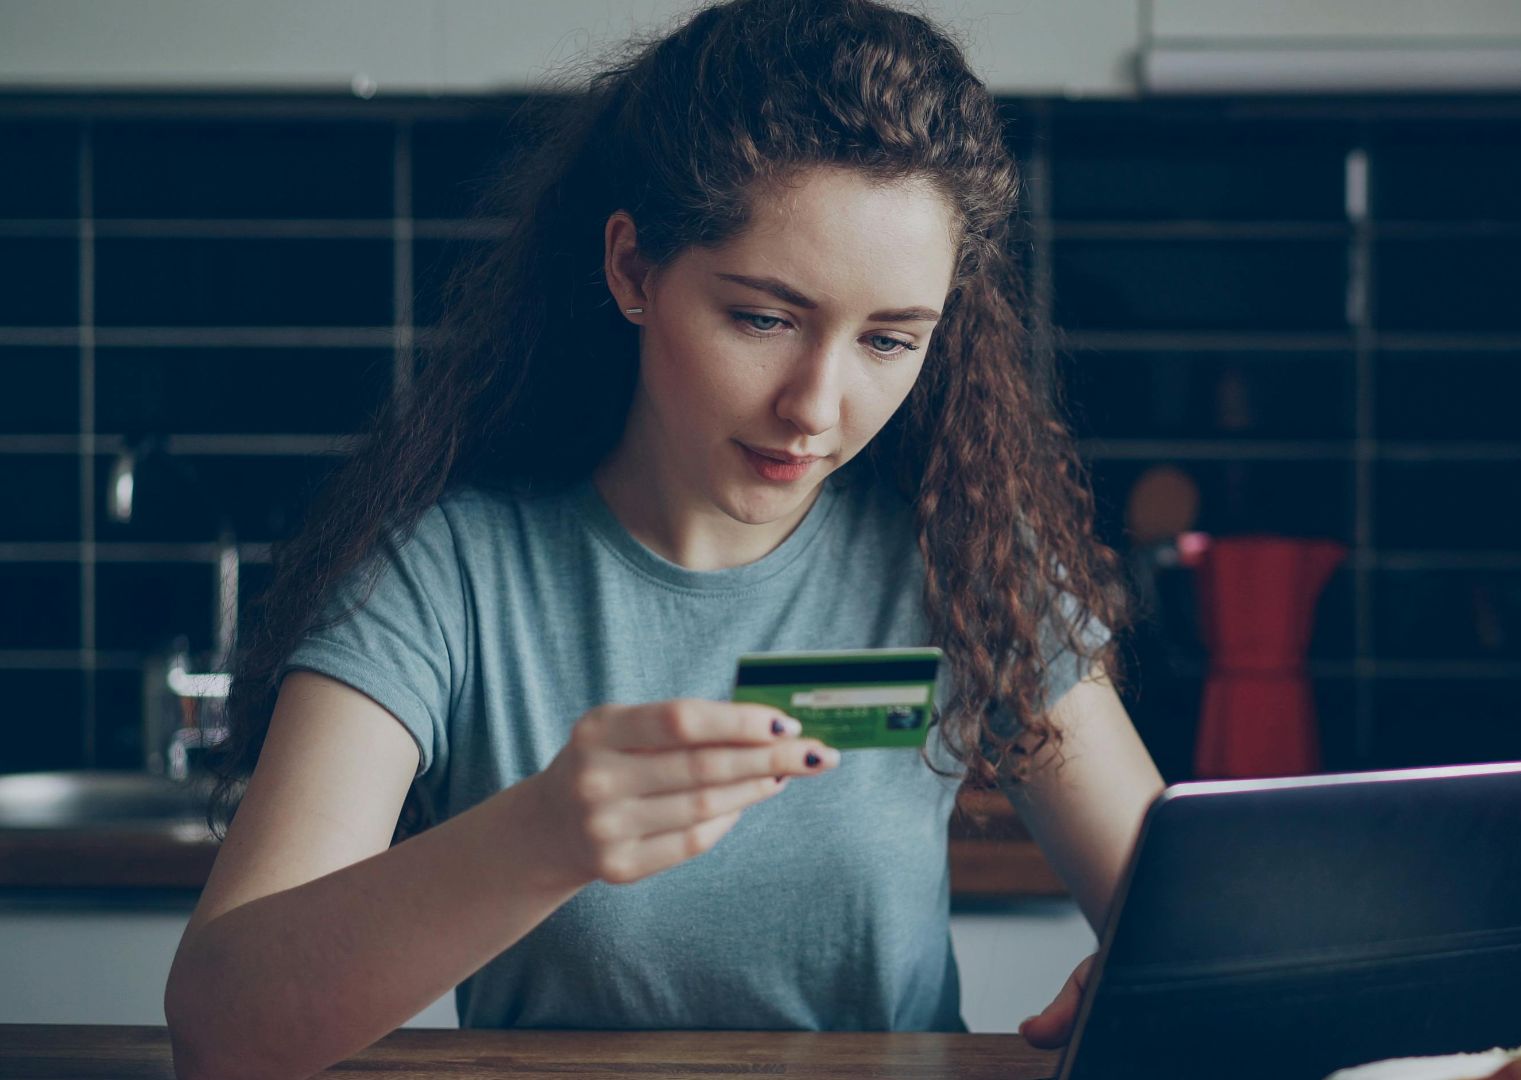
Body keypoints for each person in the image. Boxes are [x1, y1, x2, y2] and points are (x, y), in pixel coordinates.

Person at [163, 1, 1165, 1076]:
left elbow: (1191, 919)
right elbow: (223, 1028)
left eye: (887, 339)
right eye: (763, 319)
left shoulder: (960, 553)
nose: (817, 406)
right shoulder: (447, 578)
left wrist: (1163, 972)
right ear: (634, 268)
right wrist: (546, 834)